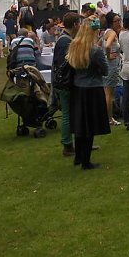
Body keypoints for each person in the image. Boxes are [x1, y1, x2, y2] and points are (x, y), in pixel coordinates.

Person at [66, 18, 110, 169]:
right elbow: (105, 70)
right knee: (90, 125)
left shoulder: (74, 46)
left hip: (78, 88)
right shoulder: (95, 50)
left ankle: (78, 156)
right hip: (92, 88)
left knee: (80, 124)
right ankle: (86, 161)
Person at [53, 12, 81, 156]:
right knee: (67, 114)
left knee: (70, 113)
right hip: (66, 83)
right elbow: (66, 63)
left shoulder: (65, 39)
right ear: (75, 24)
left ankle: (76, 142)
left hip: (63, 82)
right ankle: (67, 145)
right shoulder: (66, 41)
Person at [101, 14, 123, 127]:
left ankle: (107, 117)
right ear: (111, 22)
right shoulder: (112, 33)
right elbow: (107, 46)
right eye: (116, 21)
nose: (119, 23)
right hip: (112, 64)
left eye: (120, 20)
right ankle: (109, 118)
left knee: (107, 92)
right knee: (109, 93)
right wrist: (109, 56)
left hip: (108, 64)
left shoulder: (106, 32)